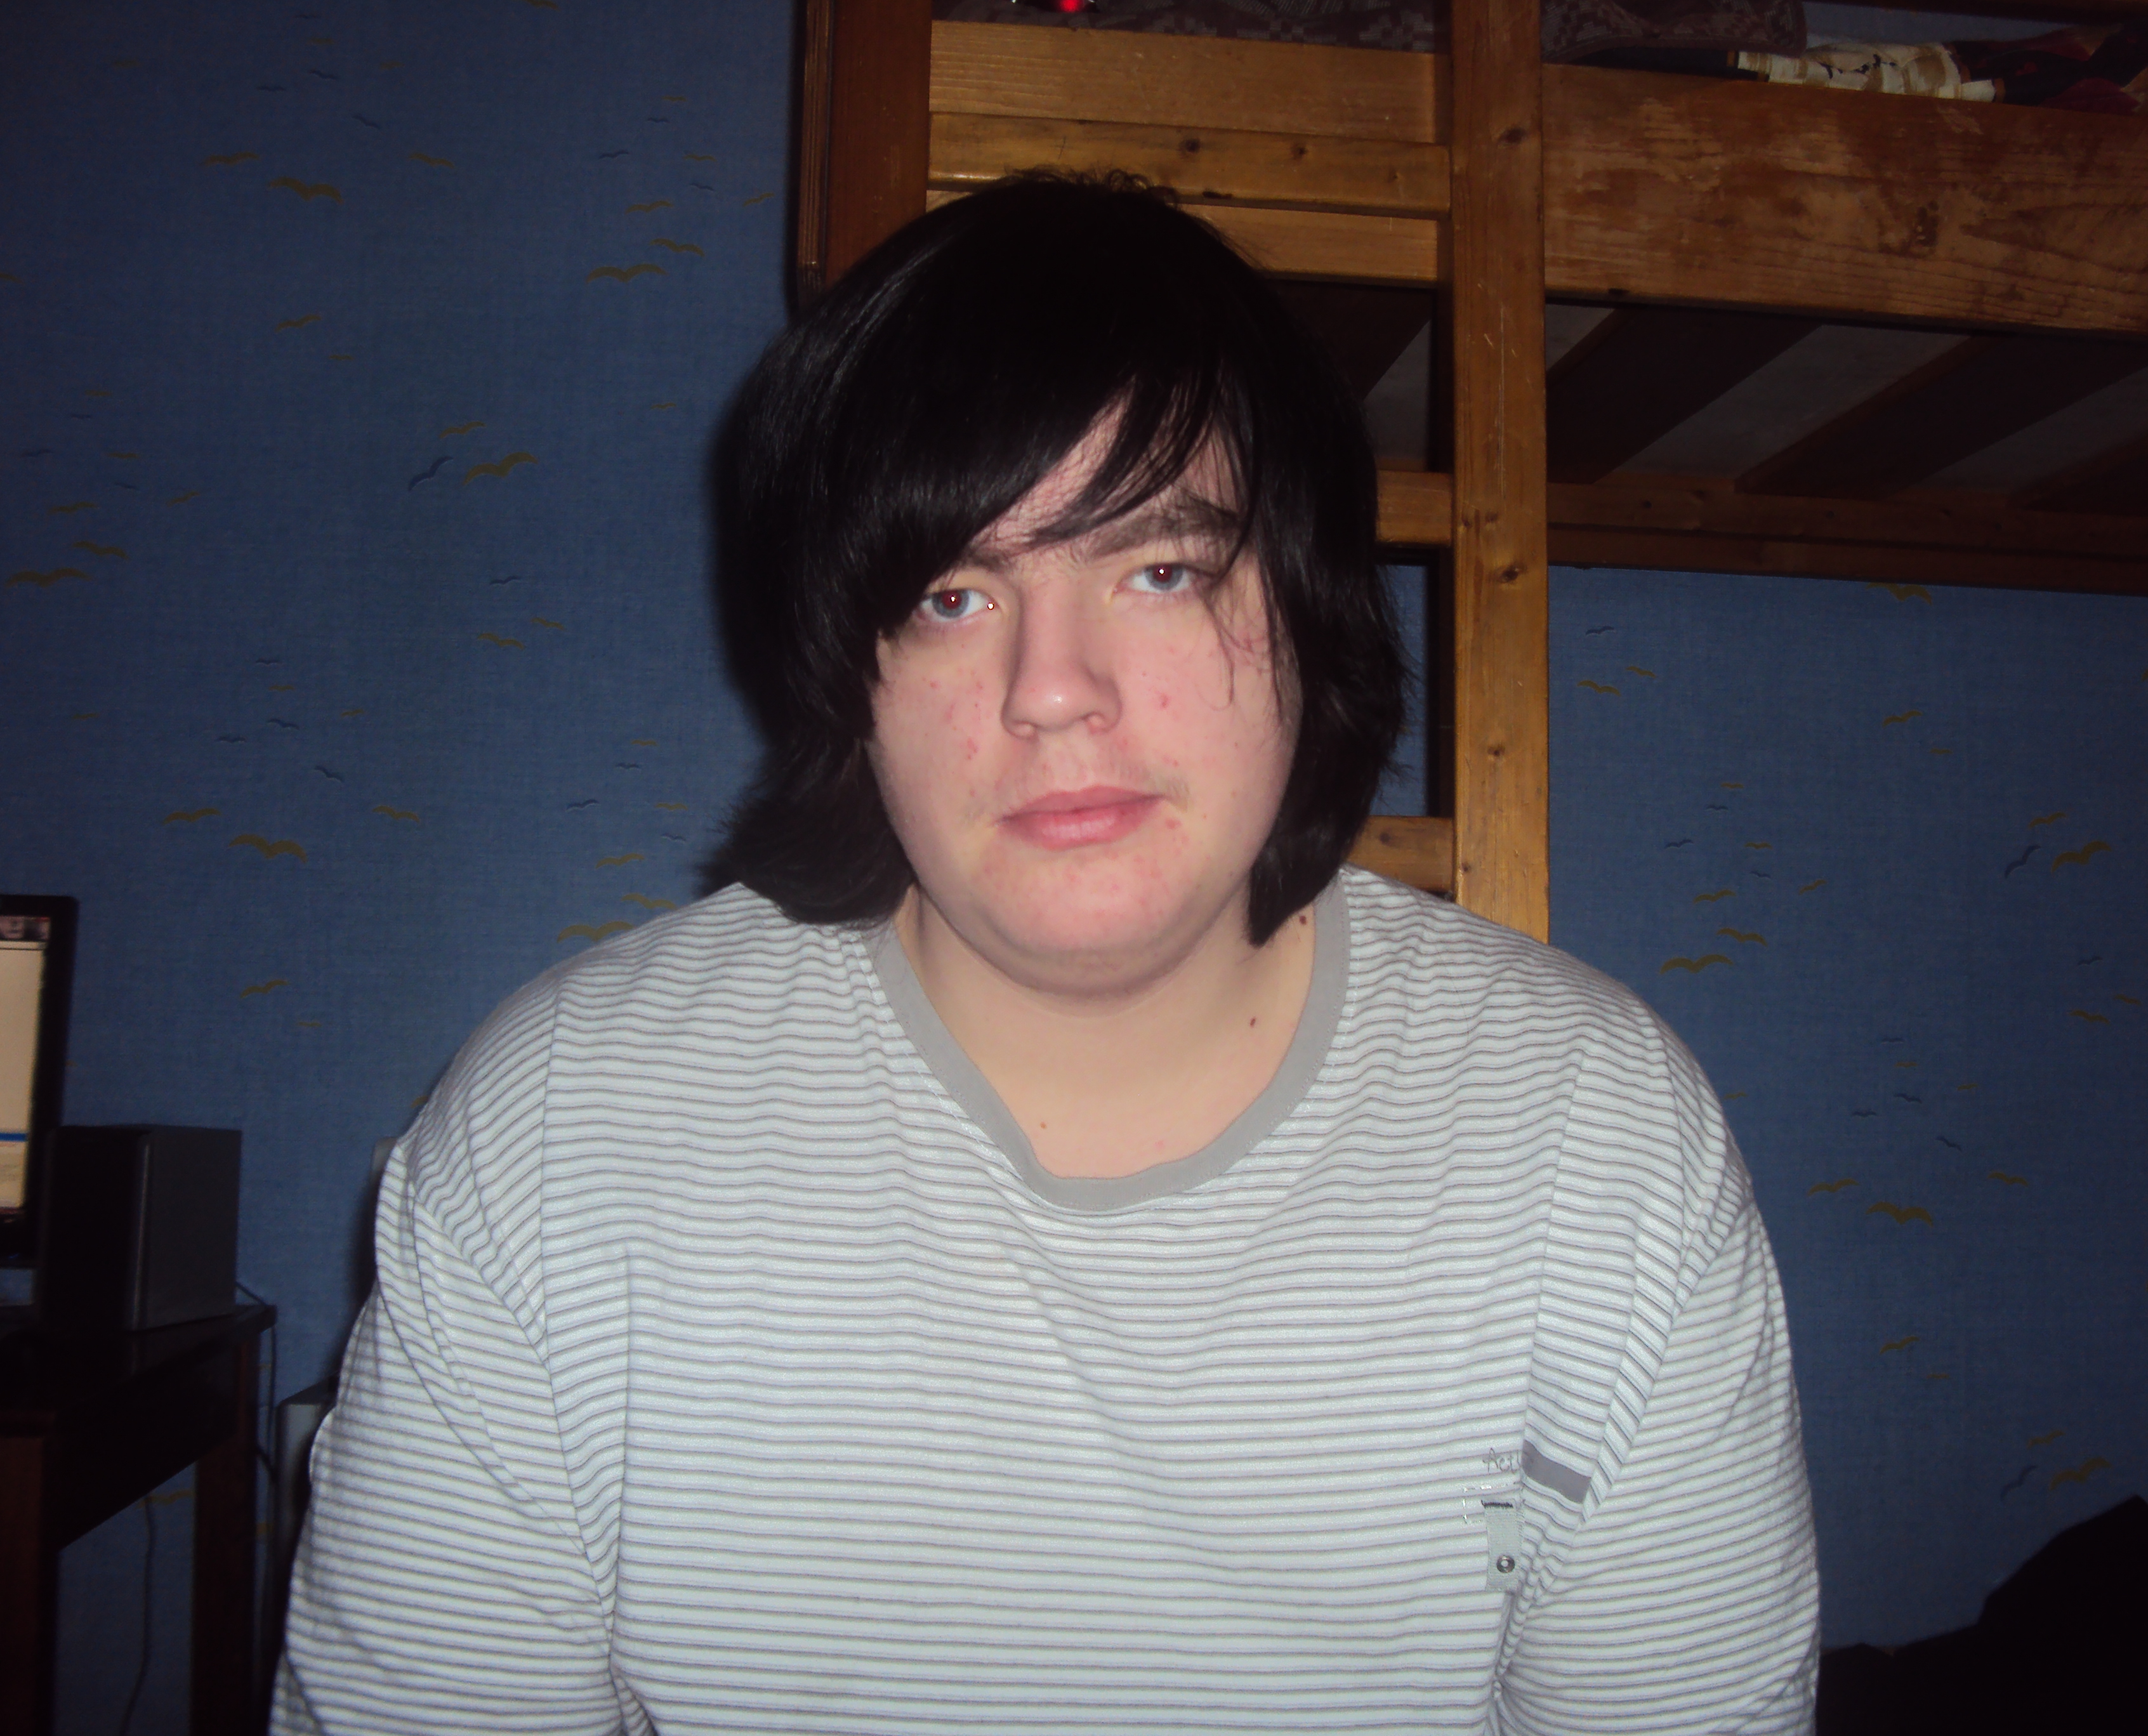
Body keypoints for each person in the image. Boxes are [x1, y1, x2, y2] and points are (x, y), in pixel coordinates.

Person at [278, 172, 1818, 1733]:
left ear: (1308, 605)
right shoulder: (562, 1139)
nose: (1053, 688)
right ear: (848, 676)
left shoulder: (1597, 1144)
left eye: (1159, 571)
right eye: (952, 595)